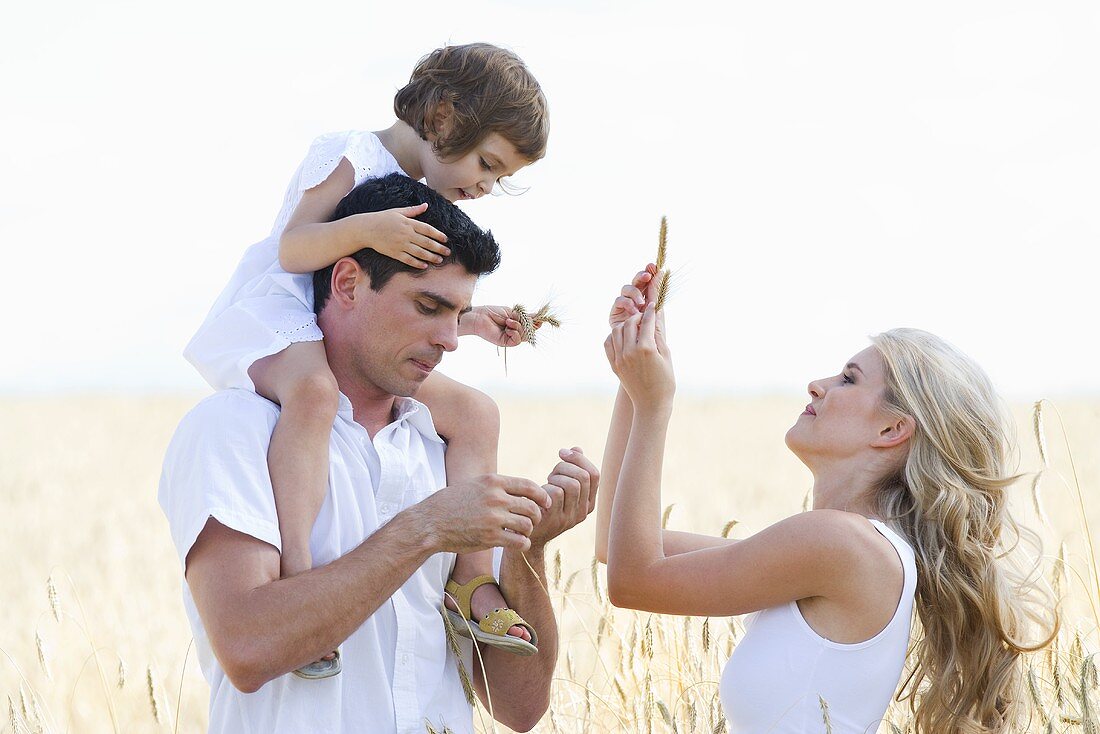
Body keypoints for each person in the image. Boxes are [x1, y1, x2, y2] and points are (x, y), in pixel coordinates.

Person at [159, 174, 599, 733]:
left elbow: (519, 709)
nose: (451, 339)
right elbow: (248, 647)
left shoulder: (444, 444)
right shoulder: (234, 431)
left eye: (457, 313)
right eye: (428, 305)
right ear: (346, 282)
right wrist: (426, 529)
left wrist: (528, 550)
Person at [183, 42, 551, 676]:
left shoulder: (421, 193)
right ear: (442, 116)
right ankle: (299, 569)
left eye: (500, 179)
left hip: (343, 329)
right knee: (316, 395)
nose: (485, 187)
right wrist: (365, 231)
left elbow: (401, 301)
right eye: (486, 163)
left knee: (476, 413)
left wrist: (476, 322)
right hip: (282, 314)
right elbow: (296, 248)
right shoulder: (353, 153)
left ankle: (470, 583)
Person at [595, 266, 1057, 733]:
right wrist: (633, 380)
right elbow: (616, 551)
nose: (818, 384)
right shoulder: (844, 548)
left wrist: (654, 401)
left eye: (848, 380)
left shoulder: (840, 544)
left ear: (892, 429)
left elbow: (633, 580)